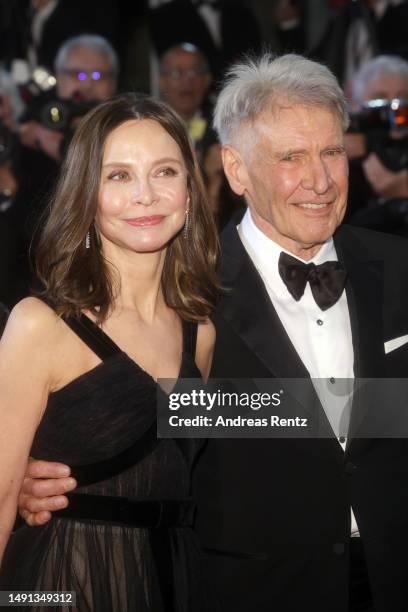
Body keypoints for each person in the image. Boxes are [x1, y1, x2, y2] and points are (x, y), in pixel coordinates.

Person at [18, 53, 408, 611]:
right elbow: (140, 429)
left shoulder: (400, 267)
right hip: (252, 593)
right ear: (236, 168)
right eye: (291, 157)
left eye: (331, 152)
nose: (319, 181)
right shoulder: (186, 300)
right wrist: (52, 473)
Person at [0, 92, 218, 611]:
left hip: (176, 584)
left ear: (190, 191)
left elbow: (192, 463)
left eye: (165, 171)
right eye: (118, 176)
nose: (145, 194)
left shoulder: (202, 332)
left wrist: (383, 409)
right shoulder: (41, 325)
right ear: (86, 194)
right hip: (56, 588)